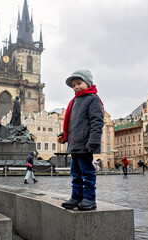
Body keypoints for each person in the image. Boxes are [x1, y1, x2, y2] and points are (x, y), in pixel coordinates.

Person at [57, 69, 104, 211]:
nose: (76, 87)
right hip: (74, 144)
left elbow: (97, 122)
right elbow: (73, 123)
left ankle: (89, 199)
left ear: (88, 82)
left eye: (79, 83)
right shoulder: (75, 101)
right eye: (73, 85)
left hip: (85, 144)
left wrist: (93, 142)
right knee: (75, 174)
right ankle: (76, 197)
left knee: (88, 173)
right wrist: (64, 135)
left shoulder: (93, 99)